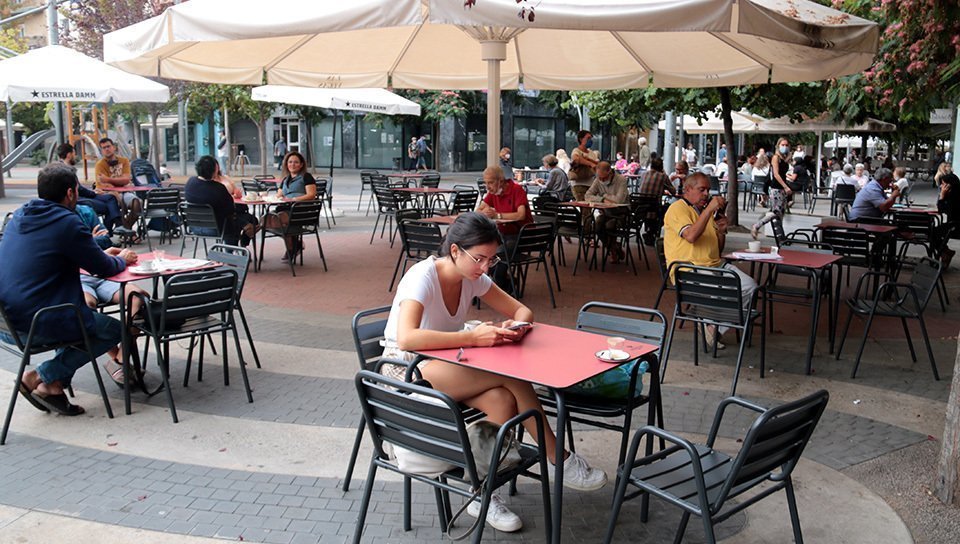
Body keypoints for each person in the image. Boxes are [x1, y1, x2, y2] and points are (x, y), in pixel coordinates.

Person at [382, 212, 607, 531]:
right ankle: (559, 459)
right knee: (509, 374)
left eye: (492, 259)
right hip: (403, 371)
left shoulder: (471, 277)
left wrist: (515, 326)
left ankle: (481, 495)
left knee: (502, 400)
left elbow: (521, 310)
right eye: (480, 258)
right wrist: (472, 337)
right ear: (456, 251)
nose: (486, 267)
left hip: (443, 364)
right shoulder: (423, 276)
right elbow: (407, 338)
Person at [0, 163, 138, 415]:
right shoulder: (67, 221)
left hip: (7, 321)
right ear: (71, 193)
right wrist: (123, 259)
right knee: (112, 330)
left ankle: (52, 386)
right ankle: (37, 377)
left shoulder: (19, 216)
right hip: (37, 322)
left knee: (80, 315)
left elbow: (53, 257)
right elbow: (104, 268)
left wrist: (98, 253)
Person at [663, 173, 757, 348]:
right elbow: (690, 236)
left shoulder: (705, 213)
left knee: (749, 287)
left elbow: (717, 250)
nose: (706, 194)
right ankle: (707, 321)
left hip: (715, 265)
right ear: (687, 190)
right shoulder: (678, 209)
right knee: (720, 291)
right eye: (701, 189)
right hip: (688, 269)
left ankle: (713, 327)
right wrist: (708, 211)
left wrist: (721, 231)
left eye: (707, 190)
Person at [184, 156, 259, 248]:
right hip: (216, 228)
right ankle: (232, 250)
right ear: (214, 170)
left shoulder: (190, 183)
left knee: (239, 220)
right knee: (239, 221)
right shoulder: (218, 188)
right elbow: (230, 210)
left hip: (194, 226)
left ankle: (245, 230)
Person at [58, 143, 123, 233]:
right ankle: (108, 233)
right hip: (77, 199)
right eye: (74, 153)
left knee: (110, 198)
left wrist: (93, 192)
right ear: (69, 155)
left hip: (81, 196)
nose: (75, 156)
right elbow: (78, 189)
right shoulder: (64, 169)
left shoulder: (65, 167)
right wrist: (93, 193)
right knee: (109, 206)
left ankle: (118, 225)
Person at [264, 151, 317, 260]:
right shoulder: (285, 179)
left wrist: (294, 199)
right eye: (290, 162)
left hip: (299, 210)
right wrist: (267, 196)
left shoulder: (306, 177)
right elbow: (279, 195)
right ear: (286, 164)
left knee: (279, 220)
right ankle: (295, 244)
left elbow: (311, 195)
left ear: (301, 164)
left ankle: (291, 248)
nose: (292, 164)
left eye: (296, 162)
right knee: (265, 220)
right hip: (284, 209)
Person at [585, 161, 630, 263]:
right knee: (597, 226)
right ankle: (613, 248)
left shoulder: (621, 180)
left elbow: (619, 200)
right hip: (606, 212)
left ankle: (613, 250)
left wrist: (604, 195)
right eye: (599, 178)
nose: (601, 180)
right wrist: (601, 200)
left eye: (603, 178)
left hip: (621, 213)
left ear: (610, 172)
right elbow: (587, 195)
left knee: (609, 226)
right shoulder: (598, 180)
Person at [94, 137, 141, 230]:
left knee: (138, 203)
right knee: (115, 199)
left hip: (125, 192)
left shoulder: (124, 161)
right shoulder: (100, 165)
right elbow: (103, 185)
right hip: (110, 195)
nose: (106, 149)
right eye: (103, 148)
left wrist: (107, 179)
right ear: (102, 151)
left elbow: (126, 180)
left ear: (114, 147)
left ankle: (126, 229)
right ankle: (126, 233)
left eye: (108, 146)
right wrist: (120, 182)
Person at [750, 138, 793, 239]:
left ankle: (780, 236)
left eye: (786, 145)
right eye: (783, 145)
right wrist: (786, 186)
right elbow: (776, 174)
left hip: (781, 187)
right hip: (775, 187)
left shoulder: (784, 159)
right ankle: (757, 225)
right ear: (778, 146)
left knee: (780, 213)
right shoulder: (776, 157)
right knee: (776, 212)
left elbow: (783, 173)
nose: (785, 147)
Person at [936, 164, 959, 267]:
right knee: (934, 231)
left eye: (943, 184)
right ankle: (946, 252)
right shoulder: (953, 194)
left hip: (956, 226)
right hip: (953, 224)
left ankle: (946, 252)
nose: (941, 186)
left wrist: (941, 197)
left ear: (949, 186)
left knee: (933, 232)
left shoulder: (955, 197)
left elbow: (942, 210)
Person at [569, 130, 599, 202]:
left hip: (590, 184)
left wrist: (587, 159)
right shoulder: (576, 150)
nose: (590, 140)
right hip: (579, 184)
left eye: (591, 138)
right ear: (581, 139)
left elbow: (597, 164)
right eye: (588, 138)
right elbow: (576, 159)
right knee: (584, 206)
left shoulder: (591, 153)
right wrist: (590, 163)